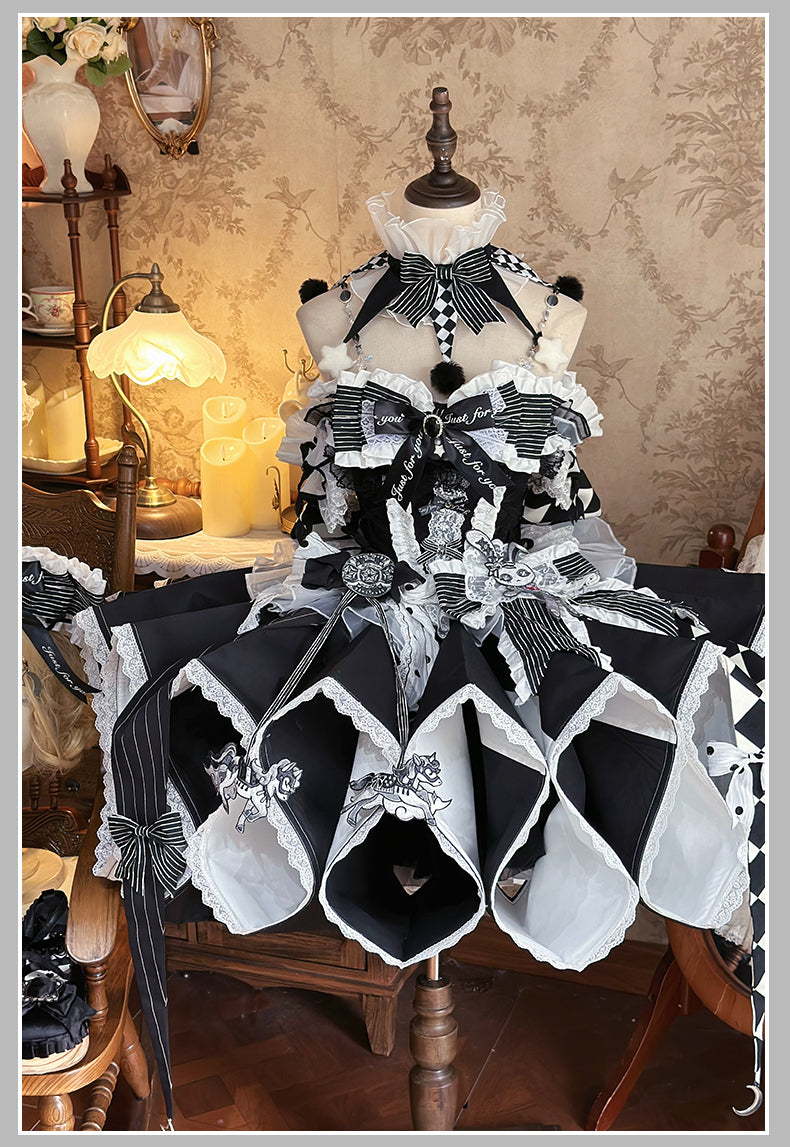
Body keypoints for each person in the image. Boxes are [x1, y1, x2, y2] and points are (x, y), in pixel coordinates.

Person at [70, 89, 765, 1127]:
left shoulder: (549, 311)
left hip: (516, 612)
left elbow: (567, 513)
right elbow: (318, 517)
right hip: (360, 615)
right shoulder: (334, 311)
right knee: (204, 718)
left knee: (622, 736)